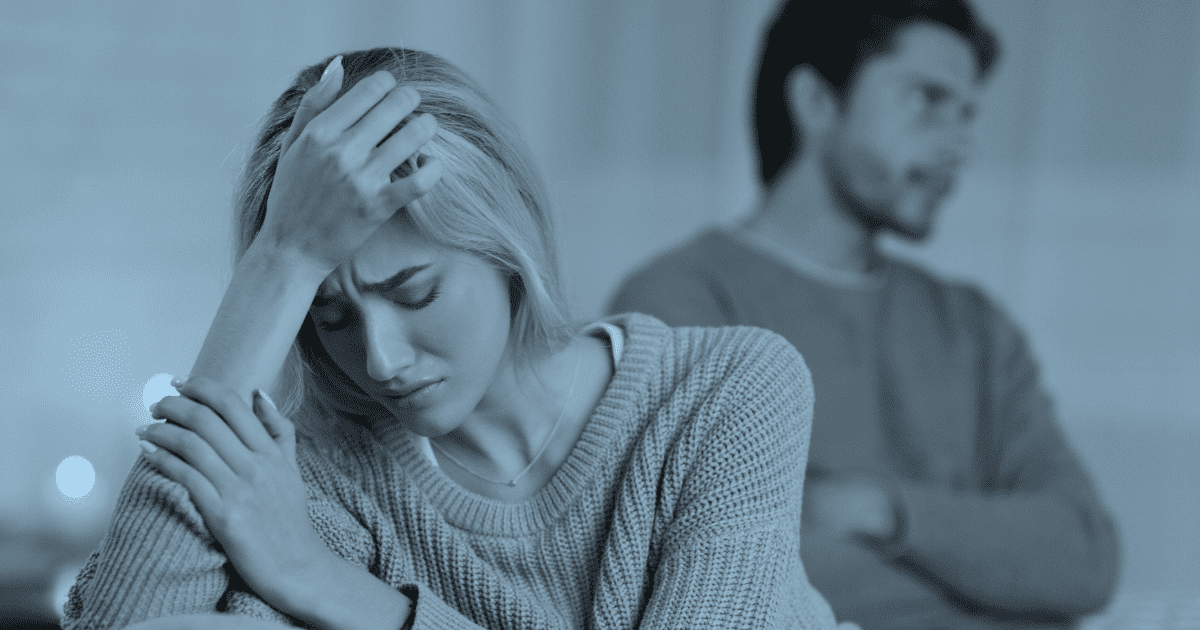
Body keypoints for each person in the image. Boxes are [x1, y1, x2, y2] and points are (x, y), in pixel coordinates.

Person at [60, 48, 857, 630]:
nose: (380, 360)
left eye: (415, 291)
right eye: (327, 316)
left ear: (505, 246)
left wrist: (322, 580)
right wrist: (278, 263)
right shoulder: (320, 478)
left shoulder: (729, 391)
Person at [608, 2, 1120, 629]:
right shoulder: (679, 305)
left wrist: (882, 510)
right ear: (816, 101)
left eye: (967, 113)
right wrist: (996, 580)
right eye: (928, 100)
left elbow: (1085, 553)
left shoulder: (976, 328)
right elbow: (726, 574)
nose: (962, 145)